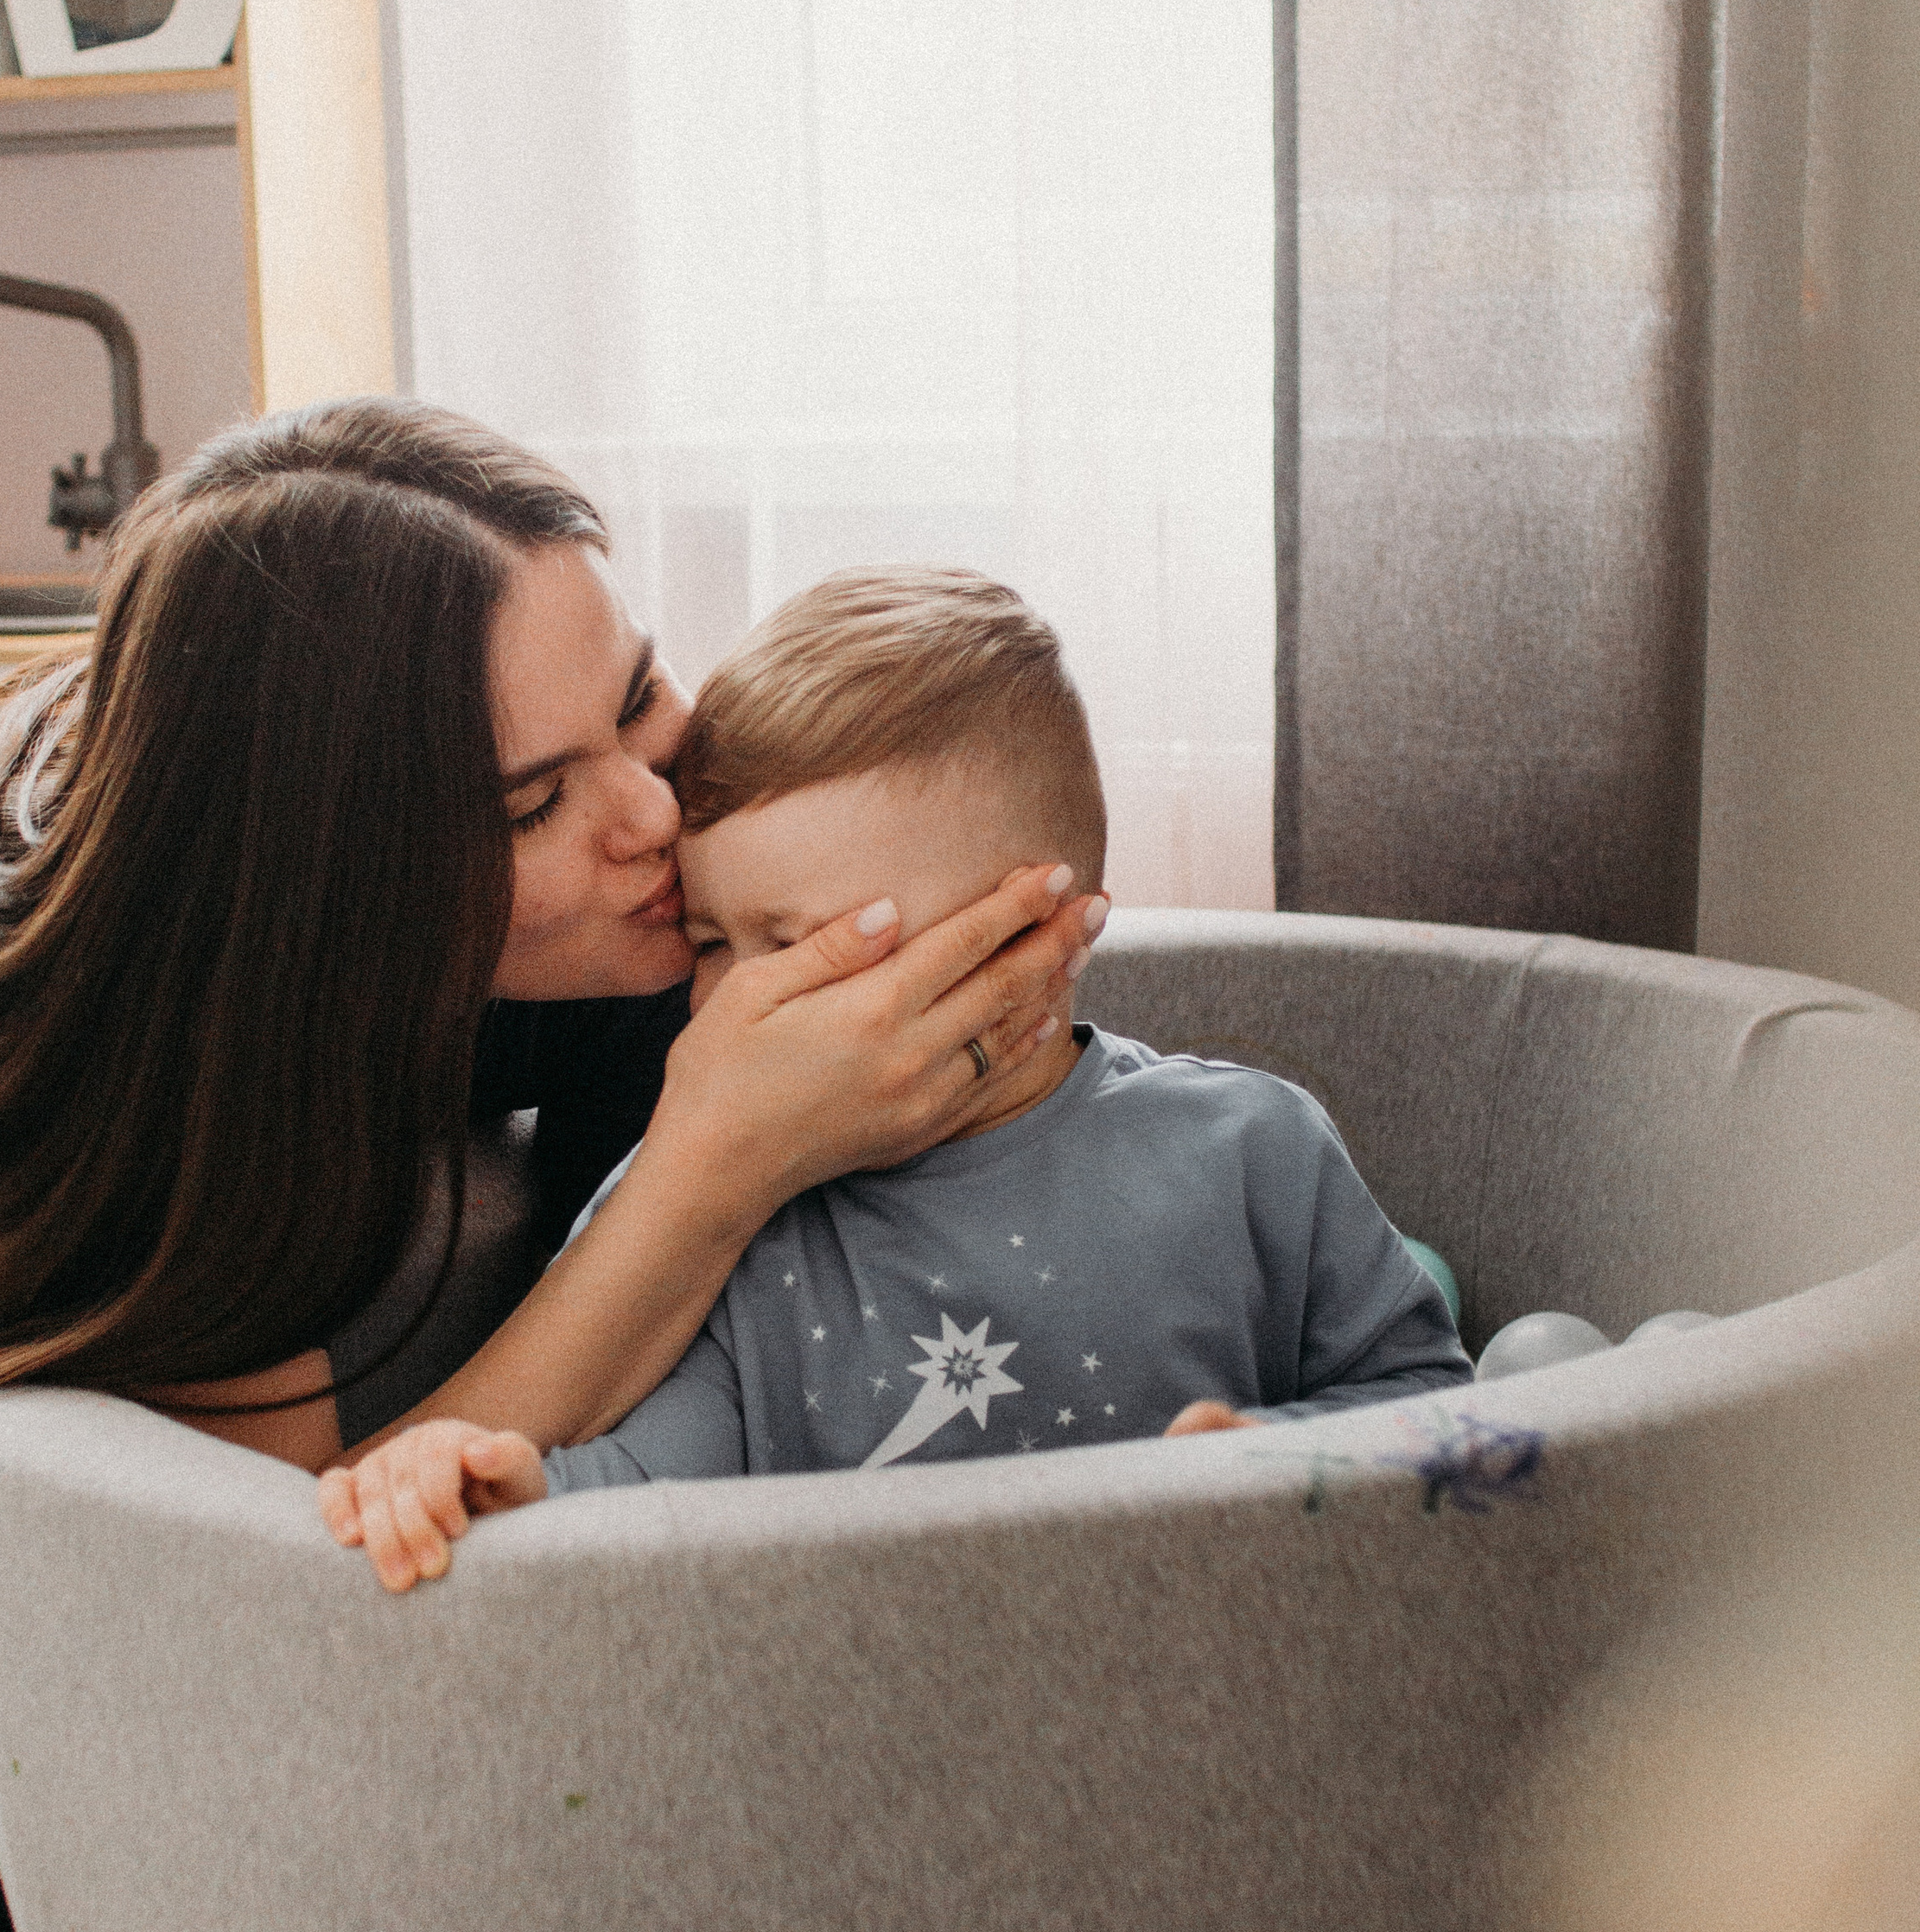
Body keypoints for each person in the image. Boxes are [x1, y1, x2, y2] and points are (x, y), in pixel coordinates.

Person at [0, 412, 1095, 1932]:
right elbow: (282, 1618)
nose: (650, 815)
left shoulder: (567, 824)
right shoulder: (185, 1041)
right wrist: (704, 1169)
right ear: (351, 889)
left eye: (637, 694)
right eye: (530, 803)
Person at [321, 569, 1472, 1590]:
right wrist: (493, 1483)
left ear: (1033, 947)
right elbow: (643, 1484)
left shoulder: (1248, 1152)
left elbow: (1467, 1426)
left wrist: (1278, 1461)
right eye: (713, 940)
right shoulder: (732, 1228)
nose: (730, 1010)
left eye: (801, 948)